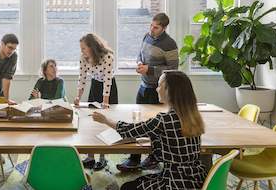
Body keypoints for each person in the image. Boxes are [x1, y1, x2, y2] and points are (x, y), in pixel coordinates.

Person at [92, 71, 207, 190]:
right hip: (196, 179)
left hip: (173, 182)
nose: (157, 89)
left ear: (169, 90)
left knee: (127, 187)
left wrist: (105, 120)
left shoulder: (164, 120)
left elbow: (129, 130)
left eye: (159, 85)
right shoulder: (193, 116)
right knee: (139, 180)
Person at [117, 13, 179, 172]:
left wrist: (149, 69)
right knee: (138, 122)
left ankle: (154, 158)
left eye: (156, 27)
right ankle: (134, 159)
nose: (152, 29)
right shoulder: (147, 36)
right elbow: (140, 54)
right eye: (151, 25)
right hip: (143, 86)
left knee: (155, 126)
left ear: (164, 28)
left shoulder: (170, 44)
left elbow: (173, 69)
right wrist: (139, 63)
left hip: (158, 90)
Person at [74, 33, 118, 171]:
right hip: (95, 85)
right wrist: (78, 97)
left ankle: (103, 158)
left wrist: (105, 103)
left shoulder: (108, 57)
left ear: (92, 47)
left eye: (84, 48)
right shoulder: (83, 58)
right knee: (90, 122)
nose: (82, 52)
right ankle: (90, 157)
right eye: (81, 49)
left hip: (108, 88)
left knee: (104, 123)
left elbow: (107, 81)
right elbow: (82, 78)